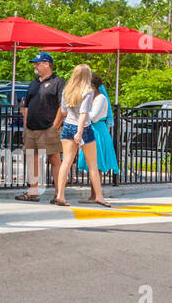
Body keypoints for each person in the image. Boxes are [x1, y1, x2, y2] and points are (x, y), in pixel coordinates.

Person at [53, 63, 111, 207]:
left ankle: (60, 195)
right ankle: (99, 196)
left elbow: (64, 111)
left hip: (67, 126)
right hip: (83, 128)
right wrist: (79, 132)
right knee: (93, 165)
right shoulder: (88, 91)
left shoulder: (67, 90)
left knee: (65, 162)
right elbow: (84, 113)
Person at [16, 52, 65, 201]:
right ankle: (33, 191)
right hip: (31, 128)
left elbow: (63, 106)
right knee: (32, 159)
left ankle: (59, 194)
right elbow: (26, 104)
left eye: (37, 63)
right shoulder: (34, 83)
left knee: (54, 159)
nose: (35, 66)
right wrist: (25, 123)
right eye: (35, 63)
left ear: (47, 64)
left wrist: (55, 126)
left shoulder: (58, 82)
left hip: (49, 128)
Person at [78, 73, 120, 181]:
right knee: (91, 164)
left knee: (97, 164)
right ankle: (93, 193)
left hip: (98, 132)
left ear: (92, 85)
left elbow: (94, 117)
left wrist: (83, 113)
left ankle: (95, 194)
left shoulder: (101, 98)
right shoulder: (89, 98)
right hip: (90, 131)